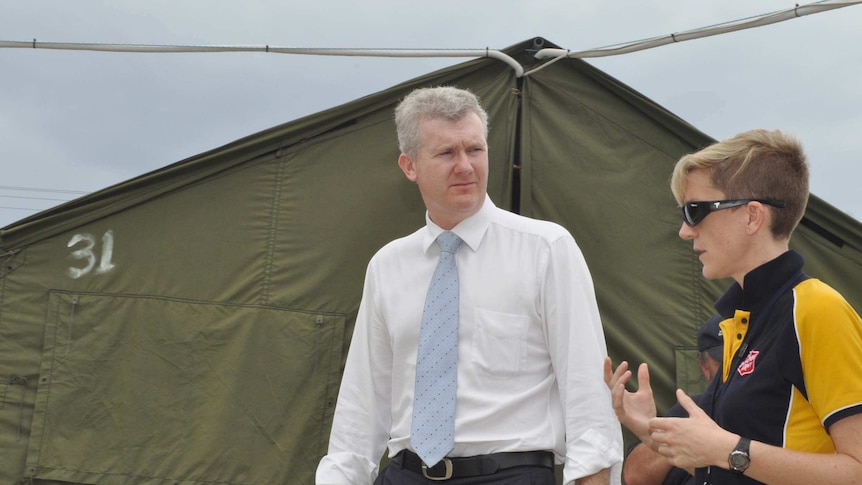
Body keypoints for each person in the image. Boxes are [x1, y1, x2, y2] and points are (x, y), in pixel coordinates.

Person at [316, 86, 623, 484]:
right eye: (446, 153)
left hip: (512, 474)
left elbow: (587, 390)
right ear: (409, 166)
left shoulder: (547, 250)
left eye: (475, 150)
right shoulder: (387, 266)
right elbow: (361, 405)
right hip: (405, 474)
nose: (465, 166)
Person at [605, 129, 862, 484]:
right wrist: (654, 431)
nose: (684, 230)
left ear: (752, 216)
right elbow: (739, 465)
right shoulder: (743, 323)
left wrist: (726, 449)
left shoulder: (816, 309)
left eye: (695, 211)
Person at [622, 314, 723, 485]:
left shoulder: (773, 406)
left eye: (739, 358)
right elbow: (634, 477)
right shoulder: (691, 408)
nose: (734, 368)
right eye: (723, 361)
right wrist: (673, 437)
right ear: (705, 368)